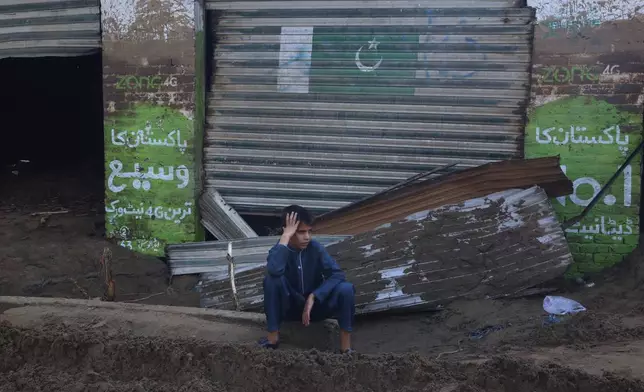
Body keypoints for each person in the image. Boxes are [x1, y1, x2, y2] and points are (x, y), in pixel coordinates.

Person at [258, 205, 355, 353]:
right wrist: (285, 237)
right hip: (290, 308)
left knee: (346, 289)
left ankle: (345, 348)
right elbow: (275, 271)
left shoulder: (315, 248)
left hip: (315, 309)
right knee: (271, 280)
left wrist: (315, 295)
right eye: (301, 232)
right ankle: (272, 339)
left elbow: (337, 274)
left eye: (309, 231)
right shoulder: (279, 249)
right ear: (288, 232)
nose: (307, 237)